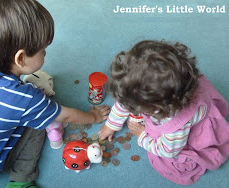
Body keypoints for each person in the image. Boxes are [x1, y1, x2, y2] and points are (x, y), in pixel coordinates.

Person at [0, 0, 110, 188]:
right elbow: (66, 114)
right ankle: (21, 179)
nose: (45, 54)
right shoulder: (26, 99)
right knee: (41, 124)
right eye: (43, 51)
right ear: (21, 58)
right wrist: (93, 116)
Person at [98, 40, 229, 185]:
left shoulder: (175, 123)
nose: (126, 105)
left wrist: (142, 136)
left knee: (173, 165)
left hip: (188, 128)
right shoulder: (138, 88)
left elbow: (168, 150)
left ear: (157, 109)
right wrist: (112, 124)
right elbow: (125, 101)